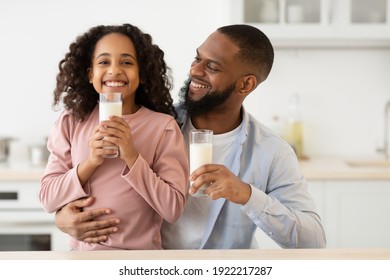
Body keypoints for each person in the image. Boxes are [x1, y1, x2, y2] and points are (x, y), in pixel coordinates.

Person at [54, 24, 326, 249]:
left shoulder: (271, 151)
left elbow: (313, 240)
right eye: (197, 58)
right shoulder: (158, 125)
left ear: (246, 84)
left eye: (213, 67)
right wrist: (62, 218)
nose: (195, 70)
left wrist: (246, 194)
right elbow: (98, 191)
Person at [39, 24, 188, 250]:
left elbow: (173, 209)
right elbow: (48, 199)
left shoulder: (163, 127)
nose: (115, 70)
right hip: (83, 263)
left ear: (142, 74)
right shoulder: (71, 122)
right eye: (104, 62)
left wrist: (131, 155)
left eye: (127, 62)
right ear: (90, 74)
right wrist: (91, 162)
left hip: (140, 262)